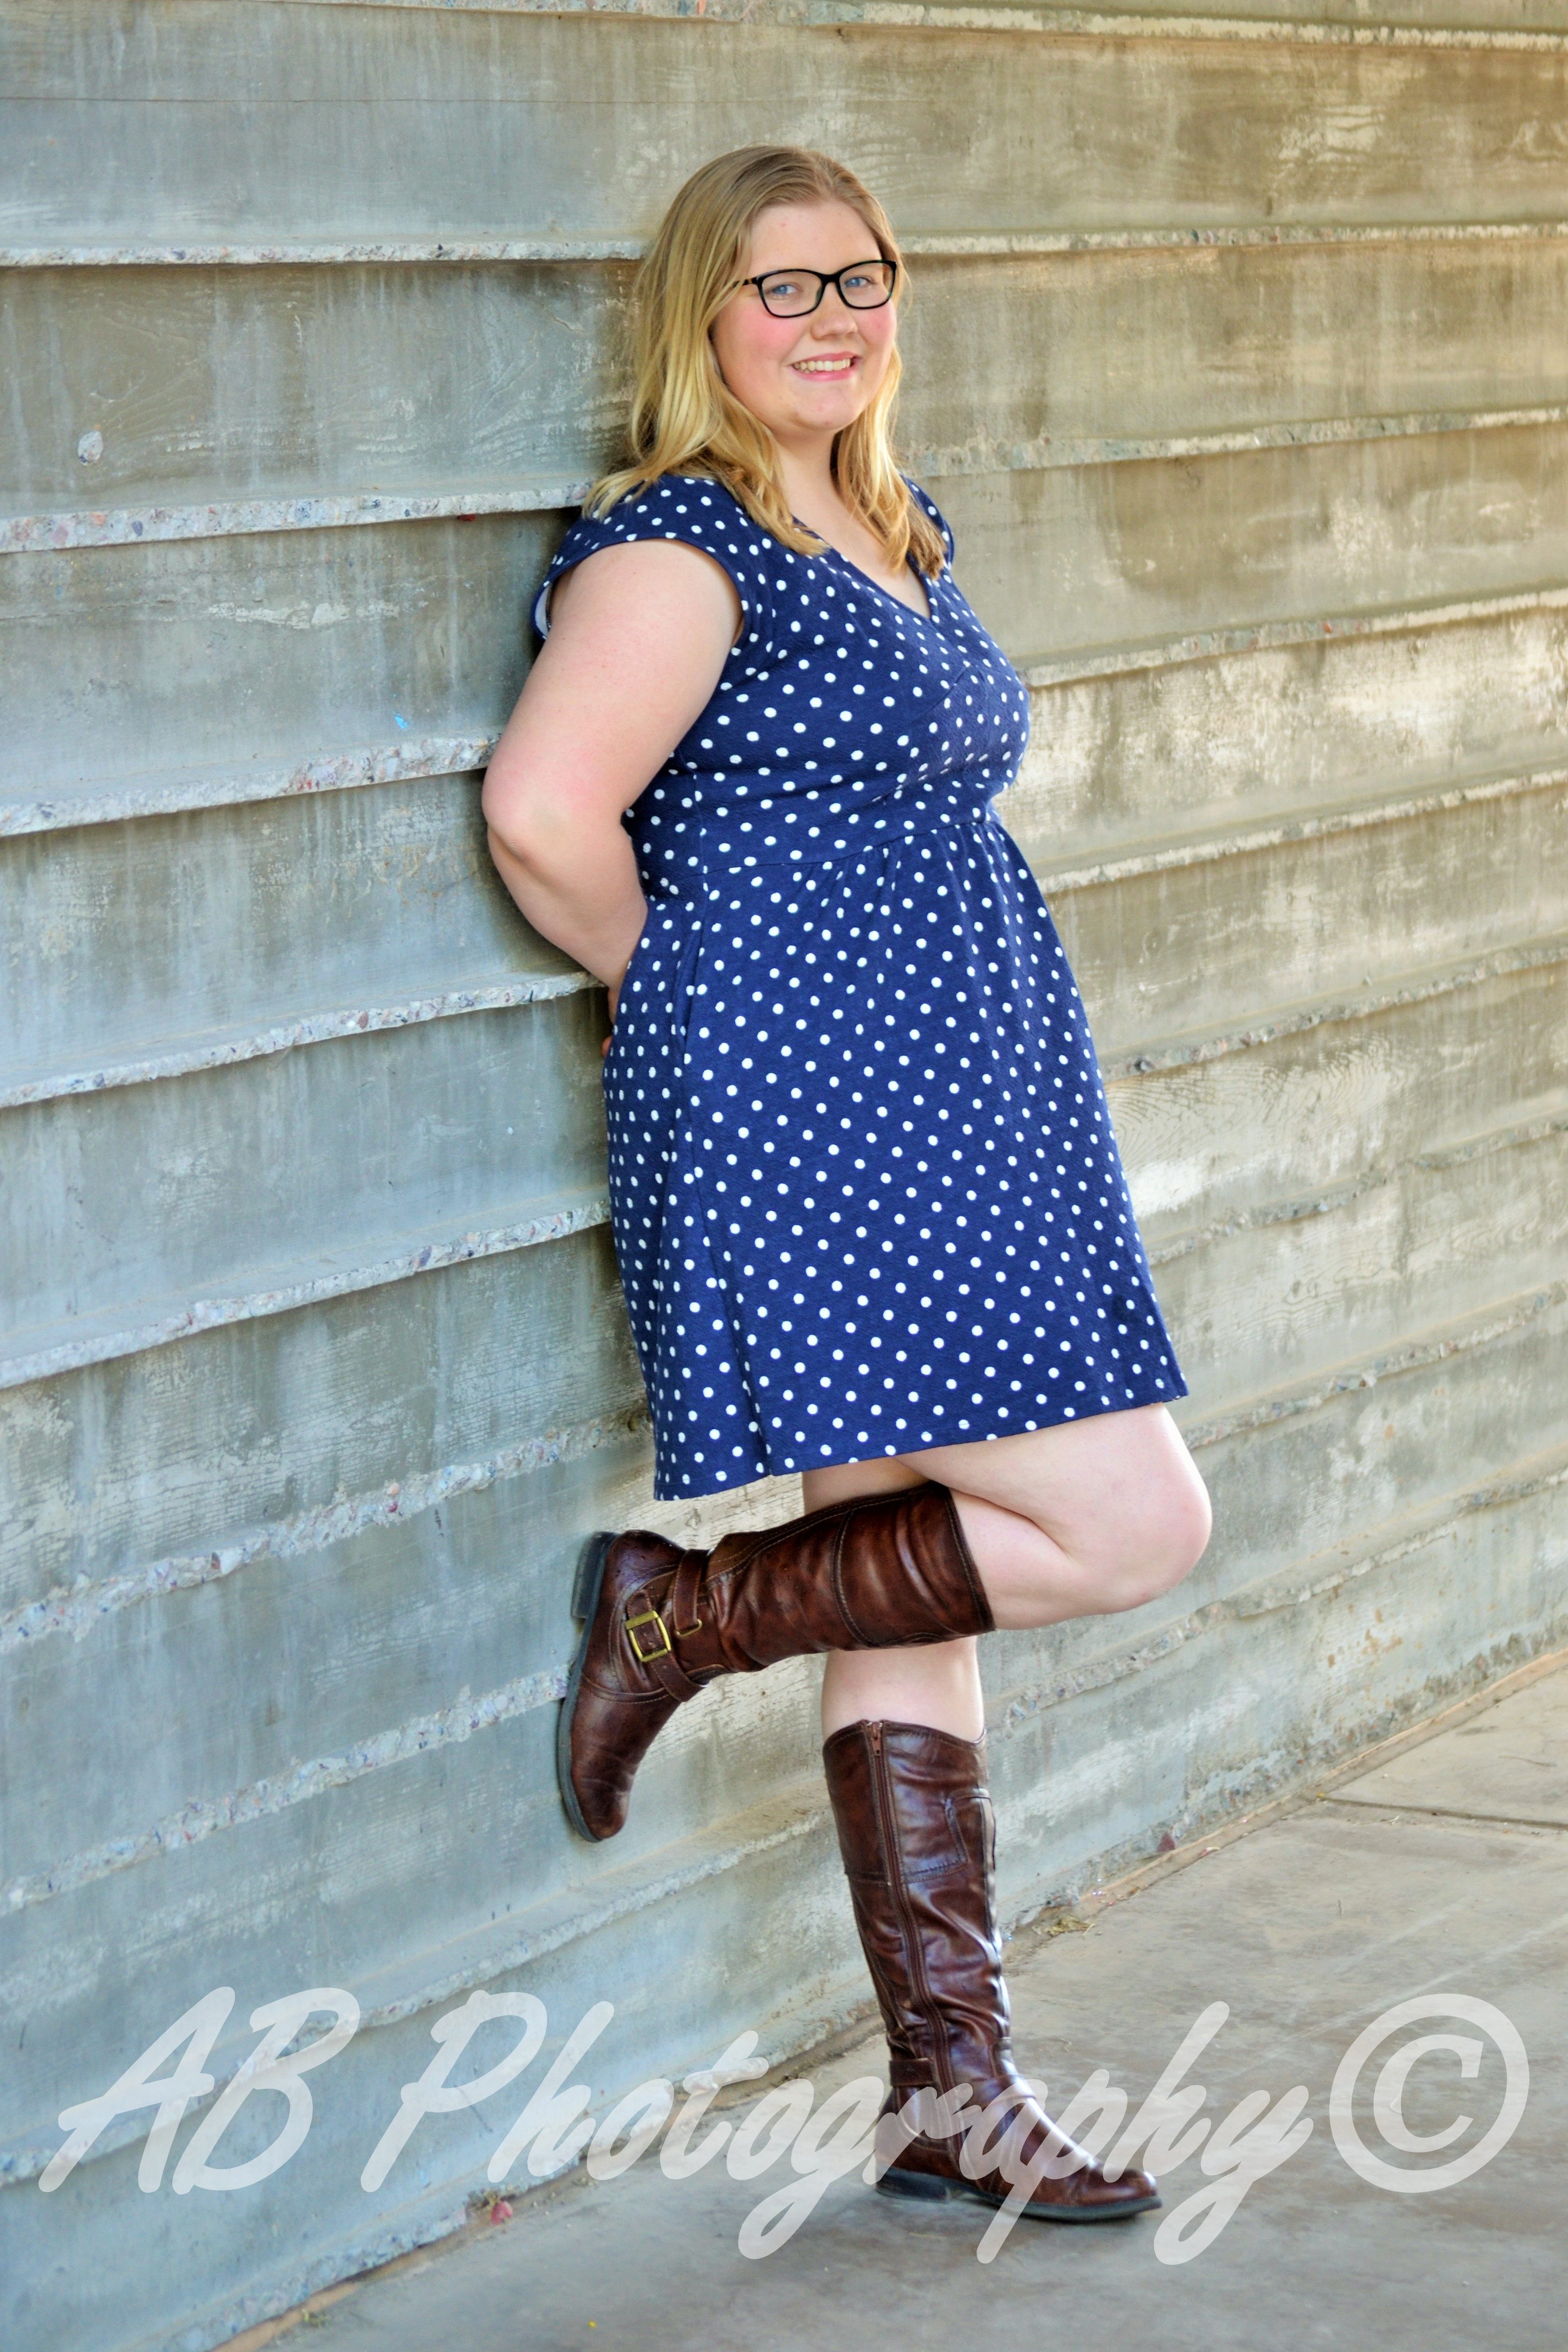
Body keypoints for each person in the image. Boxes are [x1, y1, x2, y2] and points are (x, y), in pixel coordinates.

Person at [482, 144, 1211, 2223]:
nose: (831, 320)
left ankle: (948, 2096)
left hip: (958, 1109)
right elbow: (545, 814)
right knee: (1133, 1521)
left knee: (909, 1570)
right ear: (701, 319)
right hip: (818, 1125)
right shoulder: (679, 549)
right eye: (781, 288)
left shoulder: (887, 523)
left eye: (860, 278)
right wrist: (702, 1001)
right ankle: (678, 1615)